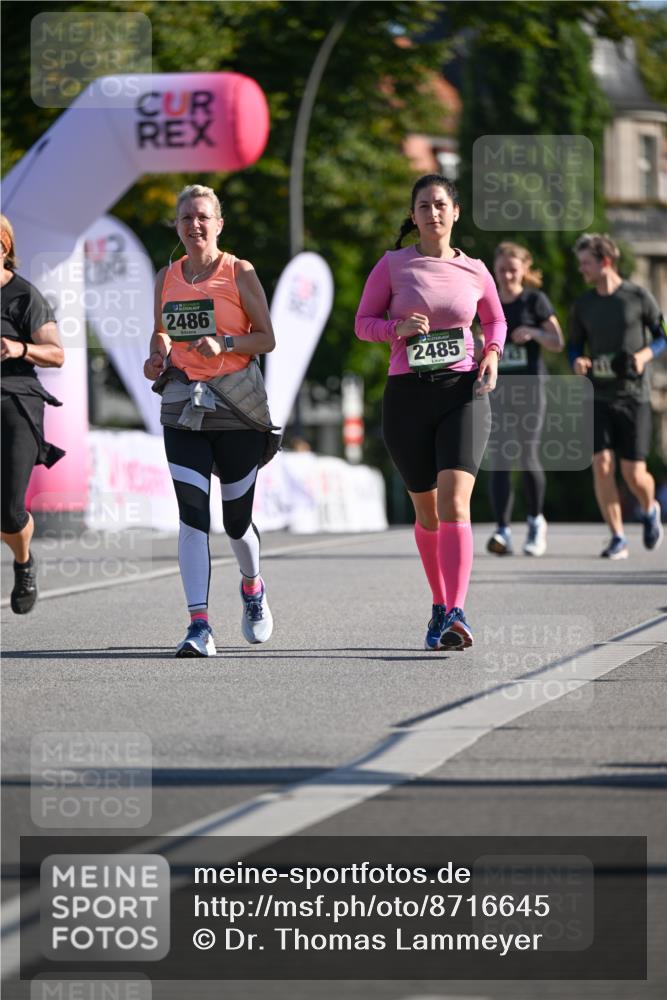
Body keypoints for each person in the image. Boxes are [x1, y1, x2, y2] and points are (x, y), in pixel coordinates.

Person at [355, 174, 506, 651]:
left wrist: (492, 353)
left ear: (455, 213)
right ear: (414, 215)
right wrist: (396, 328)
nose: (433, 213)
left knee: (455, 501)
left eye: (441, 205)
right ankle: (440, 604)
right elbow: (363, 324)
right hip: (408, 395)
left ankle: (458, 611)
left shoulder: (477, 269)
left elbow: (495, 319)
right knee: (427, 513)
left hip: (463, 392)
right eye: (424, 206)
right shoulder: (393, 265)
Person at [143, 184, 276, 656]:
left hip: (235, 408)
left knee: (236, 522)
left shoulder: (239, 272)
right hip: (183, 406)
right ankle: (199, 625)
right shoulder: (167, 276)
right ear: (177, 227)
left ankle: (252, 586)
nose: (194, 226)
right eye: (185, 219)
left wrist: (227, 343)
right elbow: (160, 331)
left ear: (218, 223)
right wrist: (156, 355)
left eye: (203, 217)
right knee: (192, 518)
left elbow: (267, 338)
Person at [569, 232, 666, 559]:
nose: (582, 269)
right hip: (598, 395)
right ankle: (617, 537)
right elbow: (573, 346)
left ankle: (649, 507)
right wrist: (576, 362)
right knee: (602, 464)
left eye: (586, 263)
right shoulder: (583, 305)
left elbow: (662, 336)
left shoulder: (638, 296)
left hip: (634, 395)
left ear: (605, 261)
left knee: (633, 473)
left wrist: (644, 356)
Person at [1, 214, 65, 614]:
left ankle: (23, 560)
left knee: (8, 510)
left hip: (16, 399)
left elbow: (56, 354)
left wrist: (19, 348)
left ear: (3, 247)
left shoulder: (25, 295)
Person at [486, 242, 564, 557]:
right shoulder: (487, 301)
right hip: (497, 388)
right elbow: (477, 334)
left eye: (513, 269)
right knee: (501, 458)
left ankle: (535, 522)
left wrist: (534, 332)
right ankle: (502, 529)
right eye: (502, 269)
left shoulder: (535, 300)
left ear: (524, 270)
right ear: (495, 269)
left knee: (527, 454)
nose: (507, 275)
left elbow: (558, 341)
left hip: (530, 387)